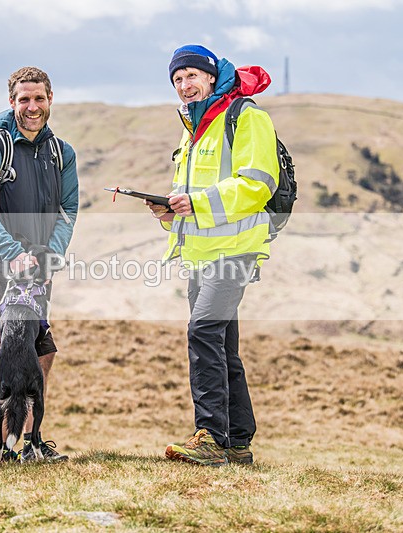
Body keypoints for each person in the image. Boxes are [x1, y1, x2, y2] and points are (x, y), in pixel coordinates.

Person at [146, 45, 279, 466]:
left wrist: (197, 203)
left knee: (202, 332)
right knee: (221, 345)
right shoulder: (192, 129)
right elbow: (192, 199)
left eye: (191, 76)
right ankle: (238, 443)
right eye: (177, 80)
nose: (185, 86)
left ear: (209, 76)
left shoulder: (247, 116)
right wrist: (171, 213)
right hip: (202, 252)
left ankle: (210, 439)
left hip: (235, 250)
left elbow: (259, 184)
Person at [0, 66, 79, 464]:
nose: (32, 107)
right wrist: (12, 252)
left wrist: (52, 254)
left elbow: (68, 210)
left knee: (41, 350)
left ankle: (27, 441)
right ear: (11, 102)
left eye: (39, 98)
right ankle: (5, 447)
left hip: (39, 266)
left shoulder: (61, 153)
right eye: (24, 99)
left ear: (51, 99)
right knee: (17, 347)